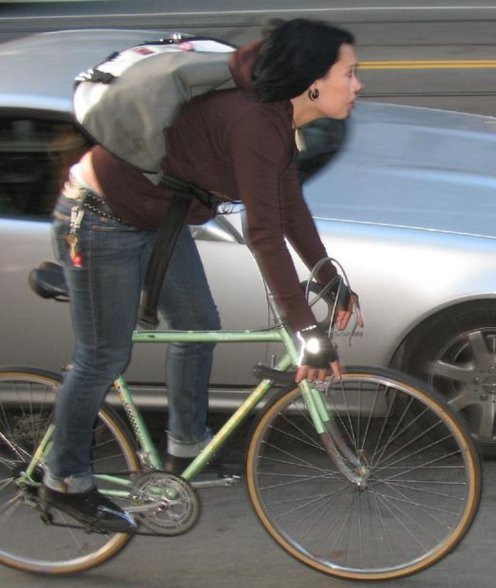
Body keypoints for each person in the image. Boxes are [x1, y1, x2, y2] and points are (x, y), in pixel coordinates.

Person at [40, 19, 364, 533]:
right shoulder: (256, 122)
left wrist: (327, 278)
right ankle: (65, 480)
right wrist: (306, 331)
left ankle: (185, 447)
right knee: (104, 354)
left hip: (155, 221)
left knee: (198, 324)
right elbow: (264, 233)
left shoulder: (278, 117)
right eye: (350, 73)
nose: (358, 86)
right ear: (314, 81)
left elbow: (288, 206)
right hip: (101, 219)